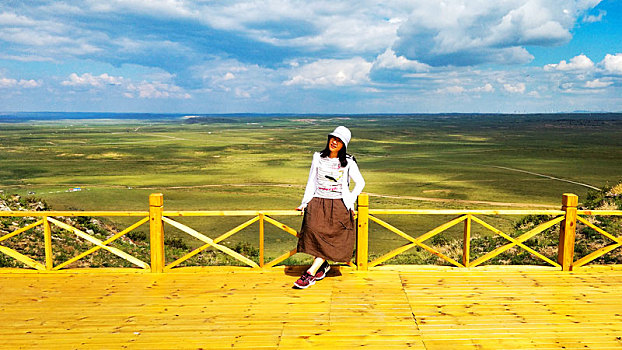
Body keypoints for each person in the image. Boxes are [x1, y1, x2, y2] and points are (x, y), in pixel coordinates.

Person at [293, 126, 365, 289]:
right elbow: (311, 181)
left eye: (339, 141)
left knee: (333, 237)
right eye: (333, 138)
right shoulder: (318, 157)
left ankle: (310, 273)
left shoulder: (348, 162)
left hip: (339, 203)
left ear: (344, 145)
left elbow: (360, 183)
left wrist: (350, 201)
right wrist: (304, 202)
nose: (335, 142)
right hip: (318, 201)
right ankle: (323, 265)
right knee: (312, 231)